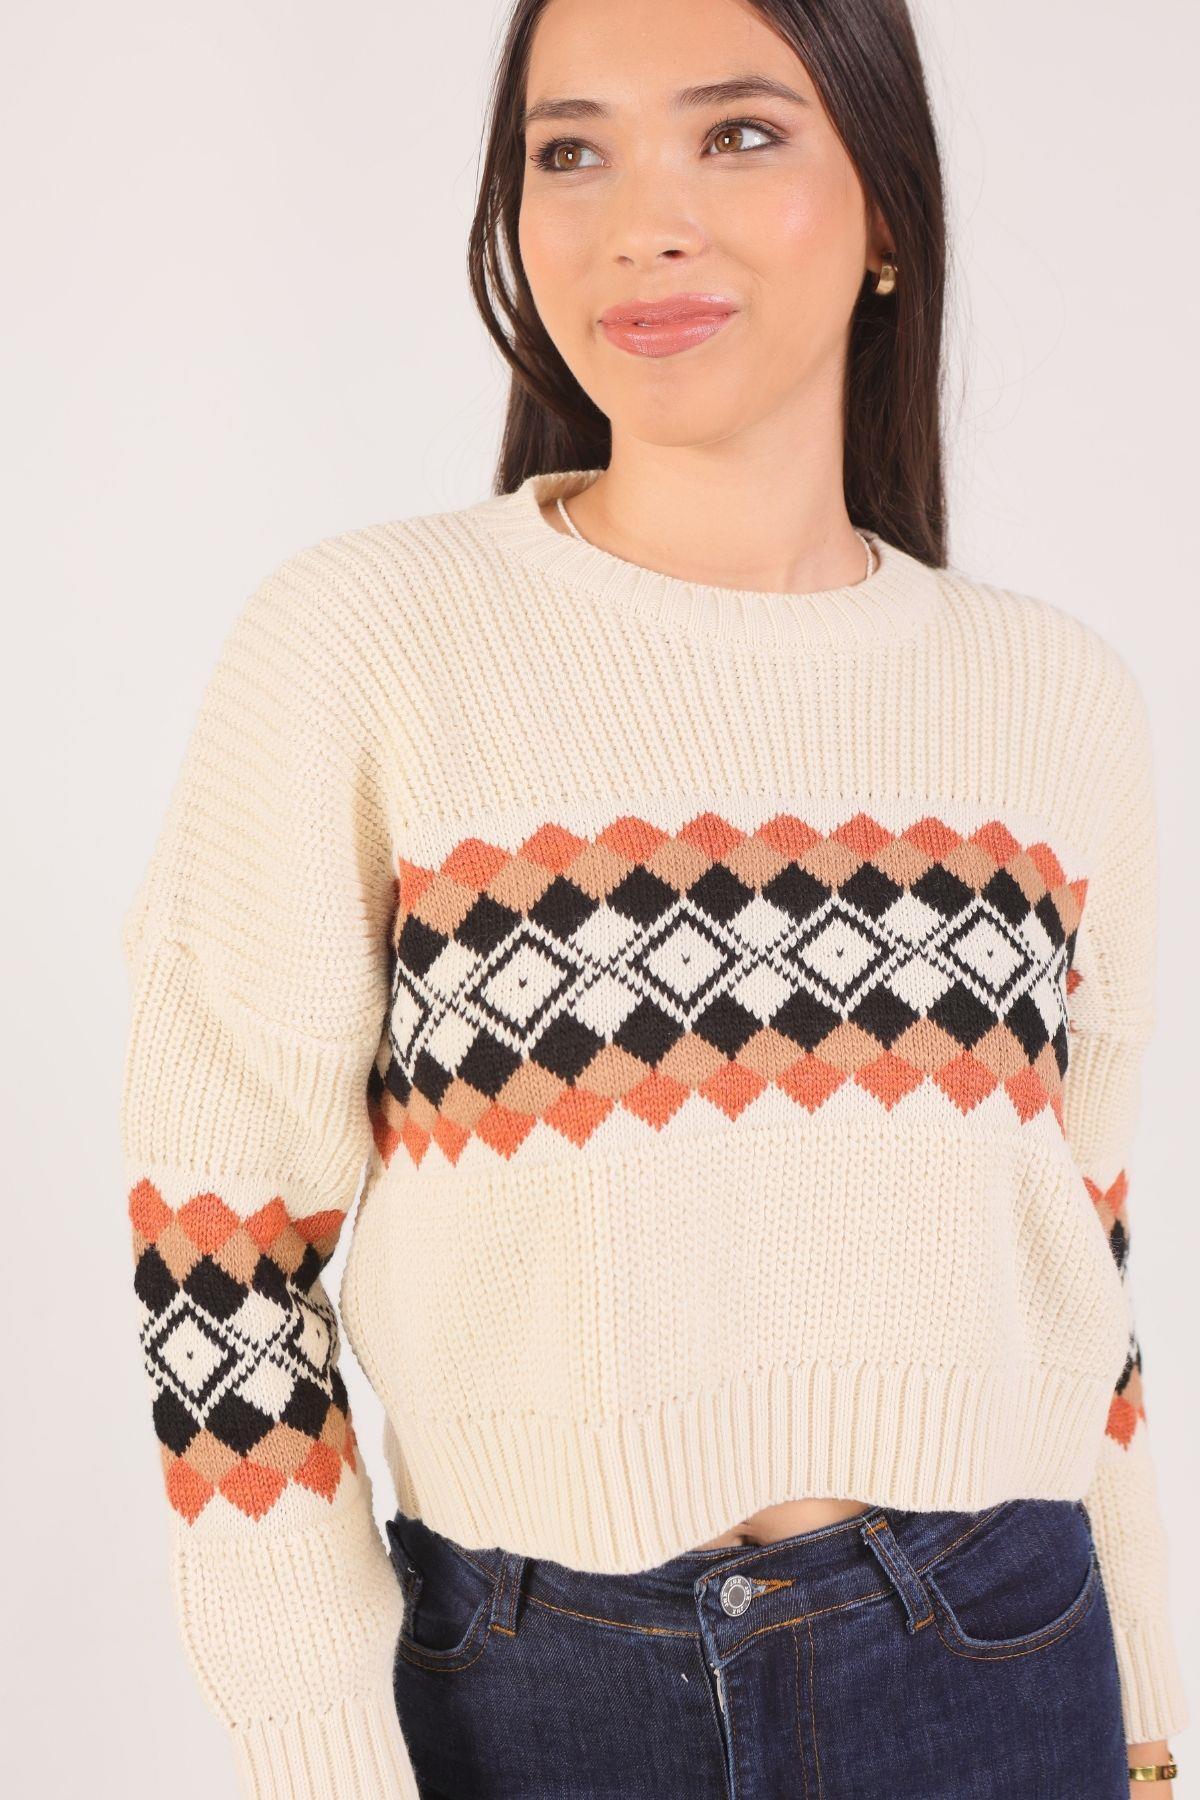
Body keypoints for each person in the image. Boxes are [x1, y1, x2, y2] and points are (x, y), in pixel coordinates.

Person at [119, 0, 1188, 1793]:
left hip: (999, 1665)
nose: (642, 222)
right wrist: (323, 1754)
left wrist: (1147, 1718)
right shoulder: (362, 645)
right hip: (537, 1695)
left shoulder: (1054, 698)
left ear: (888, 209)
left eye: (738, 133)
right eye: (572, 150)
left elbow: (1081, 1258)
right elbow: (221, 1264)